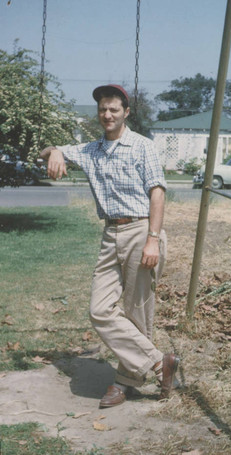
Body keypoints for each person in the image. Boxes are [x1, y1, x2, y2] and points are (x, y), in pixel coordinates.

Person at [40, 84, 179, 408]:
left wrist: (153, 240)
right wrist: (57, 151)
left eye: (114, 109)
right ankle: (159, 362)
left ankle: (126, 380)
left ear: (126, 112)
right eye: (103, 109)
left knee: (137, 311)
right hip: (110, 234)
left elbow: (158, 192)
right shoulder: (90, 150)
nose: (107, 114)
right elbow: (45, 151)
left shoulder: (142, 146)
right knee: (99, 310)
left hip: (140, 229)